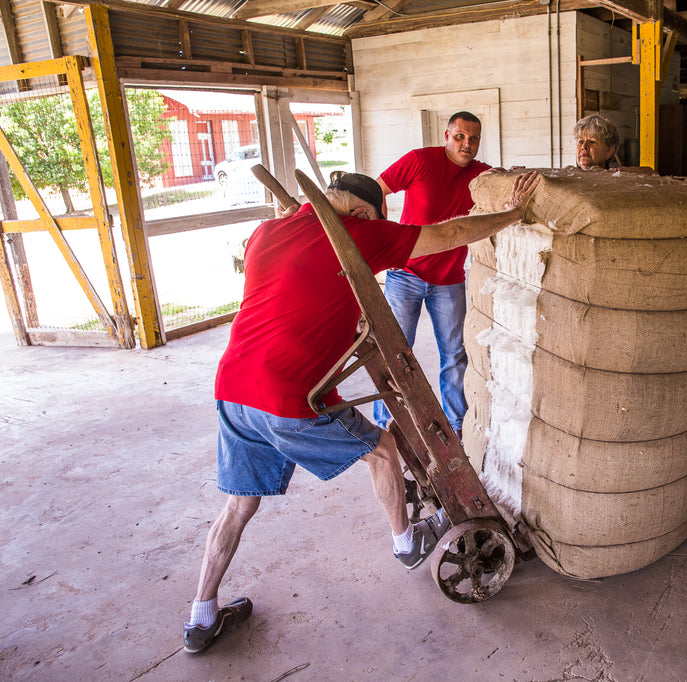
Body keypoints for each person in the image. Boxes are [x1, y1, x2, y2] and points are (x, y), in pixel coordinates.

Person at [183, 170, 540, 654]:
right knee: (382, 449)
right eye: (375, 217)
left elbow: (296, 276)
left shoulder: (266, 231)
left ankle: (201, 618)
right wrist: (514, 214)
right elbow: (451, 234)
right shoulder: (358, 234)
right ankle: (406, 544)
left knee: (240, 505)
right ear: (363, 213)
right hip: (287, 395)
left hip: (233, 388)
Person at [373, 111, 491, 438]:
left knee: (454, 356)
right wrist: (386, 241)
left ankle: (457, 428)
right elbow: (378, 188)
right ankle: (387, 425)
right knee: (395, 351)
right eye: (459, 137)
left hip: (450, 279)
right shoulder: (419, 160)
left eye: (473, 139)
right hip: (405, 274)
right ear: (446, 135)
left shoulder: (483, 175)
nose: (466, 144)